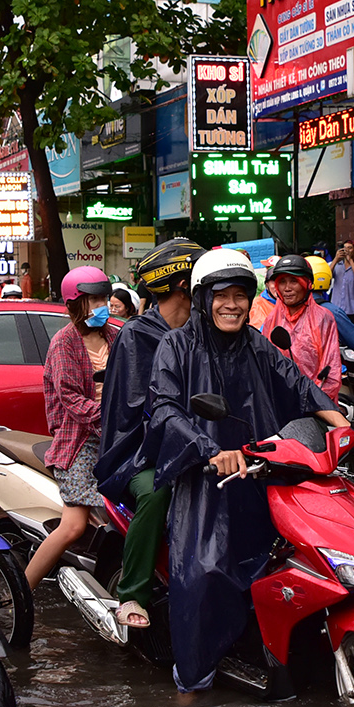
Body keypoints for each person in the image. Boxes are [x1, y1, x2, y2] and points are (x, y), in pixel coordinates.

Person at [148, 249, 349, 693]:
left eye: (241, 295)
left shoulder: (257, 343)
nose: (233, 305)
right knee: (200, 576)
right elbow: (163, 408)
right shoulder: (175, 346)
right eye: (223, 296)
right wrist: (207, 450)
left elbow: (298, 384)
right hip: (203, 478)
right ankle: (192, 679)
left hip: (258, 471)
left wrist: (341, 421)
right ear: (203, 299)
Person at [96, 238, 204, 630]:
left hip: (197, 444)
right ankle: (132, 594)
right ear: (182, 287)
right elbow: (143, 407)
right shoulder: (137, 335)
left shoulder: (203, 331)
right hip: (139, 454)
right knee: (156, 492)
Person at [23, 268, 121, 588]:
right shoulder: (63, 343)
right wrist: (111, 417)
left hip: (118, 439)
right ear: (74, 304)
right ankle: (23, 589)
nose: (101, 305)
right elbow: (71, 400)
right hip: (78, 443)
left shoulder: (115, 336)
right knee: (73, 527)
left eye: (103, 298)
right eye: (93, 299)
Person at [258, 254, 342, 398]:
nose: (287, 288)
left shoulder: (323, 318)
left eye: (294, 281)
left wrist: (311, 400)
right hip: (280, 402)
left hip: (314, 405)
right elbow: (263, 363)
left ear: (307, 284)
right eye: (282, 282)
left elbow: (330, 370)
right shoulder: (272, 318)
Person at [329, 239, 354, 316]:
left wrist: (350, 260)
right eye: (345, 248)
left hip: (351, 309)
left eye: (349, 248)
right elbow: (327, 276)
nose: (346, 250)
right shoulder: (337, 266)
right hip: (336, 307)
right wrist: (335, 259)